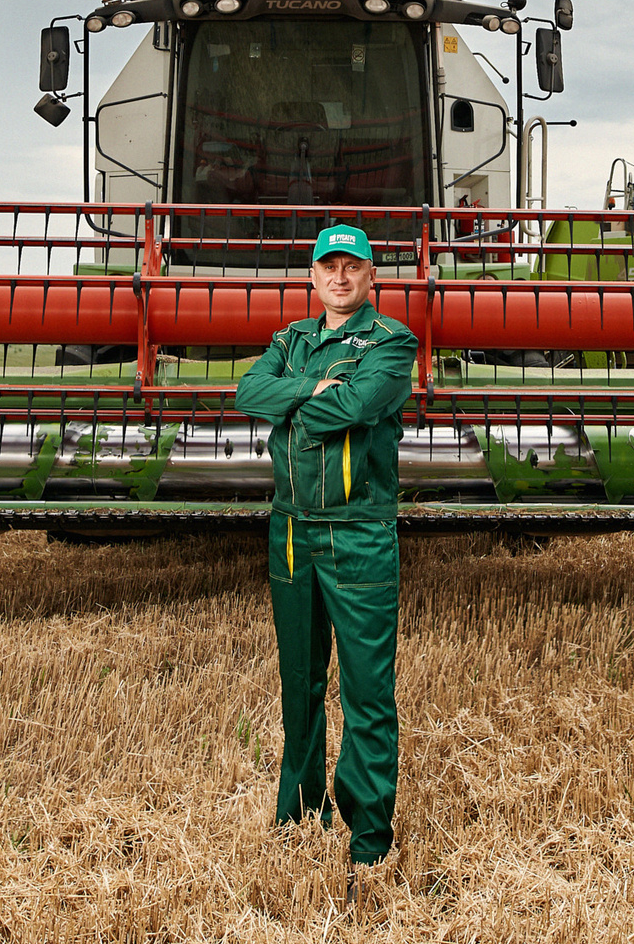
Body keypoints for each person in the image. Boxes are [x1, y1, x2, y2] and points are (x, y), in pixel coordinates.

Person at [232, 223, 416, 869]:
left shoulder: (393, 342)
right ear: (312, 276)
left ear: (372, 278)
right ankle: (298, 810)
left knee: (367, 689)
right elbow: (248, 392)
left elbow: (359, 405)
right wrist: (312, 391)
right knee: (299, 680)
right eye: (328, 265)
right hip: (290, 531)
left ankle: (368, 838)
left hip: (358, 532)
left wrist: (298, 401)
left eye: (353, 266)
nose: (340, 277)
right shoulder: (292, 338)